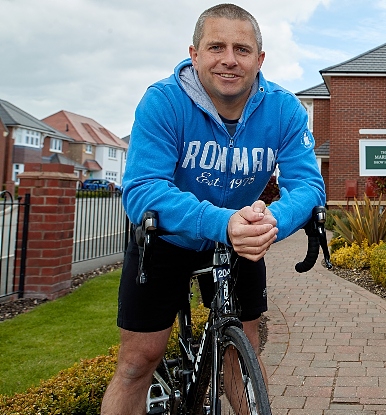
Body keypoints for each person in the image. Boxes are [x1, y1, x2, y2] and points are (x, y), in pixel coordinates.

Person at [101, 4, 325, 414]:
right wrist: (222, 222)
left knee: (243, 359)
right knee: (138, 362)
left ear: (259, 60)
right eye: (216, 46)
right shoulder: (163, 102)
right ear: (194, 54)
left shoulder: (285, 110)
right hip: (167, 237)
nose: (229, 59)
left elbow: (309, 184)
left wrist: (272, 221)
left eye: (242, 49)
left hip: (242, 239)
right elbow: (143, 189)